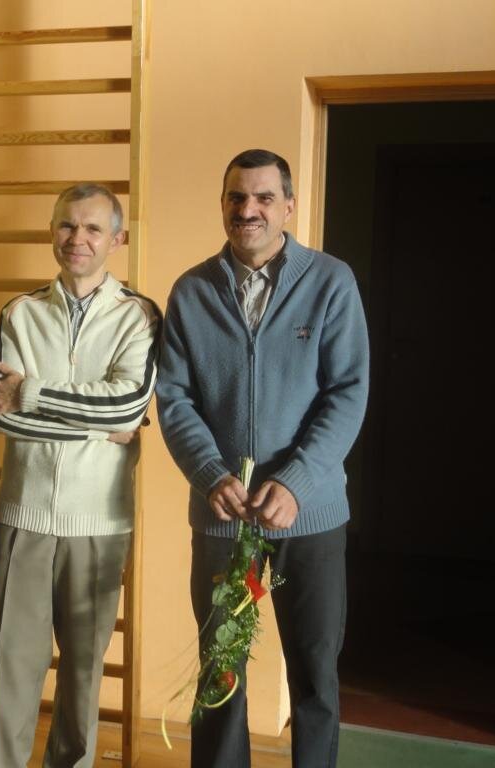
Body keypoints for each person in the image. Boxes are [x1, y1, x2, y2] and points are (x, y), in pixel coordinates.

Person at [156, 149, 369, 768]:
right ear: (222, 204)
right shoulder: (192, 290)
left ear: (289, 207)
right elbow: (173, 397)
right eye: (236, 197)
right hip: (225, 515)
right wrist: (210, 474)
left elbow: (348, 393)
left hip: (311, 515)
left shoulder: (331, 282)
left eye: (264, 198)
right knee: (220, 673)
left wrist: (296, 482)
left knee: (314, 672)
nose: (248, 209)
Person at [0, 184, 160, 768]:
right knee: (11, 668)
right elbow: (4, 418)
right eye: (66, 225)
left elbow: (128, 407)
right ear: (51, 231)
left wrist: (33, 393)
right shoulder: (19, 312)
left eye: (92, 228)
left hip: (100, 520)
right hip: (23, 515)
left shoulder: (139, 314)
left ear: (117, 239)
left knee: (83, 673)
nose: (77, 238)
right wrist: (98, 425)